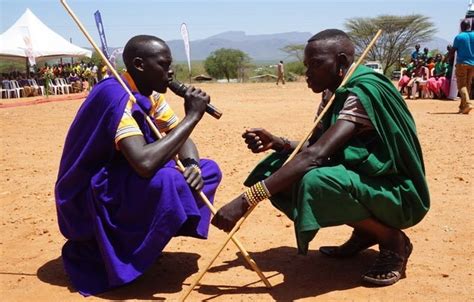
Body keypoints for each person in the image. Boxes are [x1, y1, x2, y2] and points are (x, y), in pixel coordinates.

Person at [212, 29, 430, 287]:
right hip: (371, 182)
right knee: (279, 166)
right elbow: (317, 145)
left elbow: (317, 155)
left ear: (340, 62)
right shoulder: (333, 92)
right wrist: (278, 143)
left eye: (316, 64)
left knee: (318, 181)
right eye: (307, 65)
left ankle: (393, 241)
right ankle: (366, 230)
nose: (308, 73)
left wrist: (246, 200)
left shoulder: (361, 93)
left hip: (399, 193)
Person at [55, 35, 222, 296]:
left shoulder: (150, 94)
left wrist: (193, 165)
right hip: (93, 190)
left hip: (125, 176)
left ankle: (145, 241)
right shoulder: (117, 97)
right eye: (164, 65)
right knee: (169, 181)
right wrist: (193, 116)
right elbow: (144, 163)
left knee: (208, 170)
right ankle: (129, 247)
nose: (170, 71)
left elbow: (180, 138)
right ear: (139, 65)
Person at [449, 19, 474, 114]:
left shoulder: (459, 37)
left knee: (462, 85)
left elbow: (453, 50)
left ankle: (467, 103)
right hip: (473, 64)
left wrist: (447, 58)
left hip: (462, 63)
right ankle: (462, 107)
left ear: (462, 27)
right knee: (467, 85)